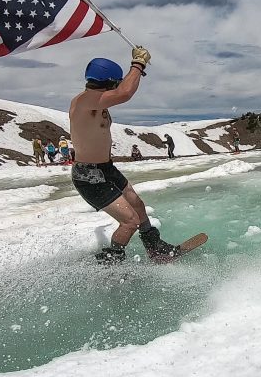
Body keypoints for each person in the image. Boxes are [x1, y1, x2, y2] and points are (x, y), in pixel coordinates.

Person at [69, 46, 179, 264]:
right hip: (88, 175)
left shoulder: (98, 101)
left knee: (137, 205)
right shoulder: (84, 101)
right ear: (110, 82)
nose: (117, 86)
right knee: (130, 221)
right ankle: (111, 263)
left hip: (106, 168)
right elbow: (125, 93)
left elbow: (121, 91)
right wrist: (138, 64)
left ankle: (155, 248)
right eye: (115, 83)